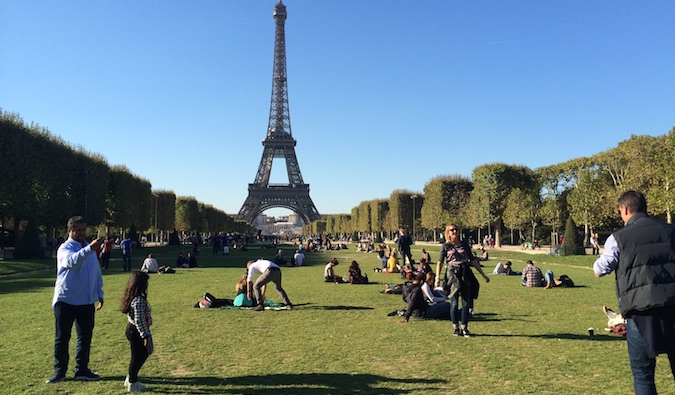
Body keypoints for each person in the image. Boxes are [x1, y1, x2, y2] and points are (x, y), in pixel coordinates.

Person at [593, 190, 675, 394]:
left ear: (625, 209)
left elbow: (599, 270)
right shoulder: (672, 231)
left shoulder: (618, 238)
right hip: (673, 305)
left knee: (643, 374)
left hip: (640, 310)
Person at [47, 216, 104, 384]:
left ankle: (82, 370)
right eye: (77, 230)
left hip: (86, 301)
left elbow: (95, 271)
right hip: (66, 300)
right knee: (62, 338)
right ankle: (60, 371)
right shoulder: (64, 248)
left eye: (83, 230)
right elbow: (72, 262)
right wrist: (90, 249)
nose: (81, 233)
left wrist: (99, 293)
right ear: (69, 231)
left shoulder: (88, 248)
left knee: (85, 337)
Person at [435, 224, 490, 337]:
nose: (454, 231)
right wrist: (437, 277)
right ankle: (455, 327)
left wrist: (483, 275)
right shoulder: (445, 246)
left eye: (456, 229)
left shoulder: (464, 244)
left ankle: (464, 327)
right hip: (452, 275)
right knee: (454, 303)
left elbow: (472, 260)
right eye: (452, 230)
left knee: (466, 303)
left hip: (465, 273)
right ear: (448, 232)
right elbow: (440, 262)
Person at [121, 271, 153, 392]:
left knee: (138, 355)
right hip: (137, 331)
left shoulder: (132, 296)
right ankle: (132, 382)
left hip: (132, 329)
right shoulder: (138, 300)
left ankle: (131, 376)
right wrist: (145, 335)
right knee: (139, 355)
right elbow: (140, 320)